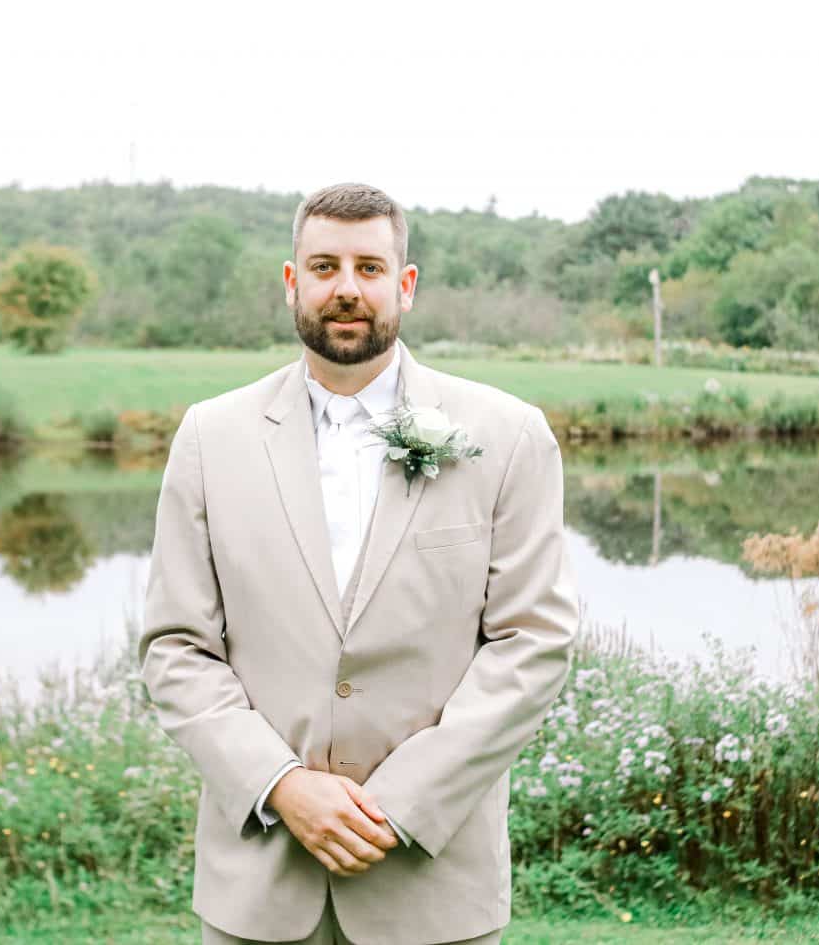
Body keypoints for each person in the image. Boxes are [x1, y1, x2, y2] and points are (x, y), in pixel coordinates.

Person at [138, 182, 580, 945]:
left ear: (404, 286)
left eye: (370, 268)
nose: (347, 288)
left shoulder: (508, 436)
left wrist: (399, 803)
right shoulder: (211, 438)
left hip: (433, 886)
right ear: (292, 282)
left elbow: (533, 644)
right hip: (260, 885)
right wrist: (281, 785)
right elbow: (175, 647)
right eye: (325, 266)